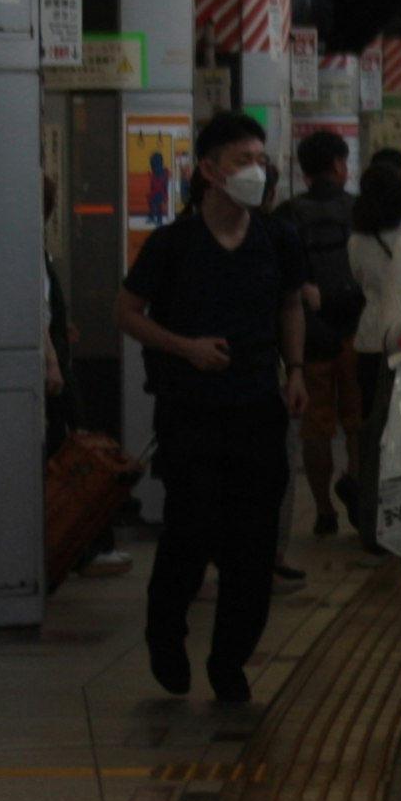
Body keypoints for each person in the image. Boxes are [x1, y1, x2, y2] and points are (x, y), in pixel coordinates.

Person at [118, 111, 309, 704]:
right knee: (190, 530)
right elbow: (126, 313)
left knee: (253, 546)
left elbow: (290, 307)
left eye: (261, 160)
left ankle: (230, 660)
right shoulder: (173, 244)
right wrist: (186, 349)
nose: (257, 170)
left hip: (258, 406)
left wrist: (296, 371)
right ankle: (165, 634)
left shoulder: (277, 237)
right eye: (243, 161)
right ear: (208, 170)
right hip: (190, 411)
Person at [282, 131, 363, 539]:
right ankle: (356, 484)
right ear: (338, 165)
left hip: (309, 335)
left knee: (316, 427)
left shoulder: (287, 213)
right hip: (356, 330)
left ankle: (323, 510)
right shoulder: (359, 209)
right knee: (358, 421)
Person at [347, 156, 401, 549]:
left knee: (372, 429)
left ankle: (369, 518)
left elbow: (359, 280)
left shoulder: (357, 241)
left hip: (369, 342)